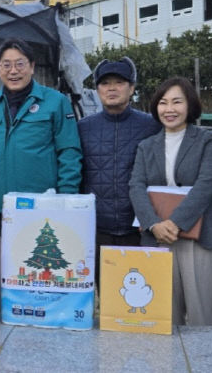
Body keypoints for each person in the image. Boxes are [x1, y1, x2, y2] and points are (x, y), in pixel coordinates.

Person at [129, 77, 212, 326]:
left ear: (189, 105)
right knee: (163, 313)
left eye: (177, 102)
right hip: (156, 235)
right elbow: (135, 185)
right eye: (163, 102)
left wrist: (176, 222)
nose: (169, 109)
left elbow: (206, 185)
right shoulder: (146, 146)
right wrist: (153, 224)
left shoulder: (207, 140)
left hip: (197, 235)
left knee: (201, 313)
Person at [0, 38, 81, 232]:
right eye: (6, 65)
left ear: (32, 67)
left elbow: (69, 151)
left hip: (44, 202)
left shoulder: (55, 102)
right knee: (10, 260)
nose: (13, 71)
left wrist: (67, 197)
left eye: (20, 64)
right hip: (4, 205)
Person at [78, 57, 161, 284]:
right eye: (105, 83)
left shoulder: (152, 125)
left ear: (132, 88)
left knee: (140, 290)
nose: (112, 88)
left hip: (139, 227)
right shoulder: (83, 127)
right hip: (97, 227)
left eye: (119, 82)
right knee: (106, 294)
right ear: (97, 89)